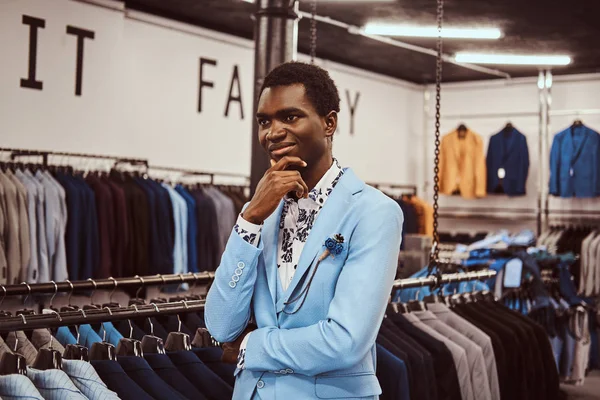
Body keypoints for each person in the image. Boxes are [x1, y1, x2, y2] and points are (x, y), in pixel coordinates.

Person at [205, 61, 403, 400]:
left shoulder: (374, 212)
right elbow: (221, 325)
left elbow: (345, 341)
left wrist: (250, 345)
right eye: (264, 121)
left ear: (329, 123)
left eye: (290, 117)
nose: (273, 132)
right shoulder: (261, 212)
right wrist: (249, 218)